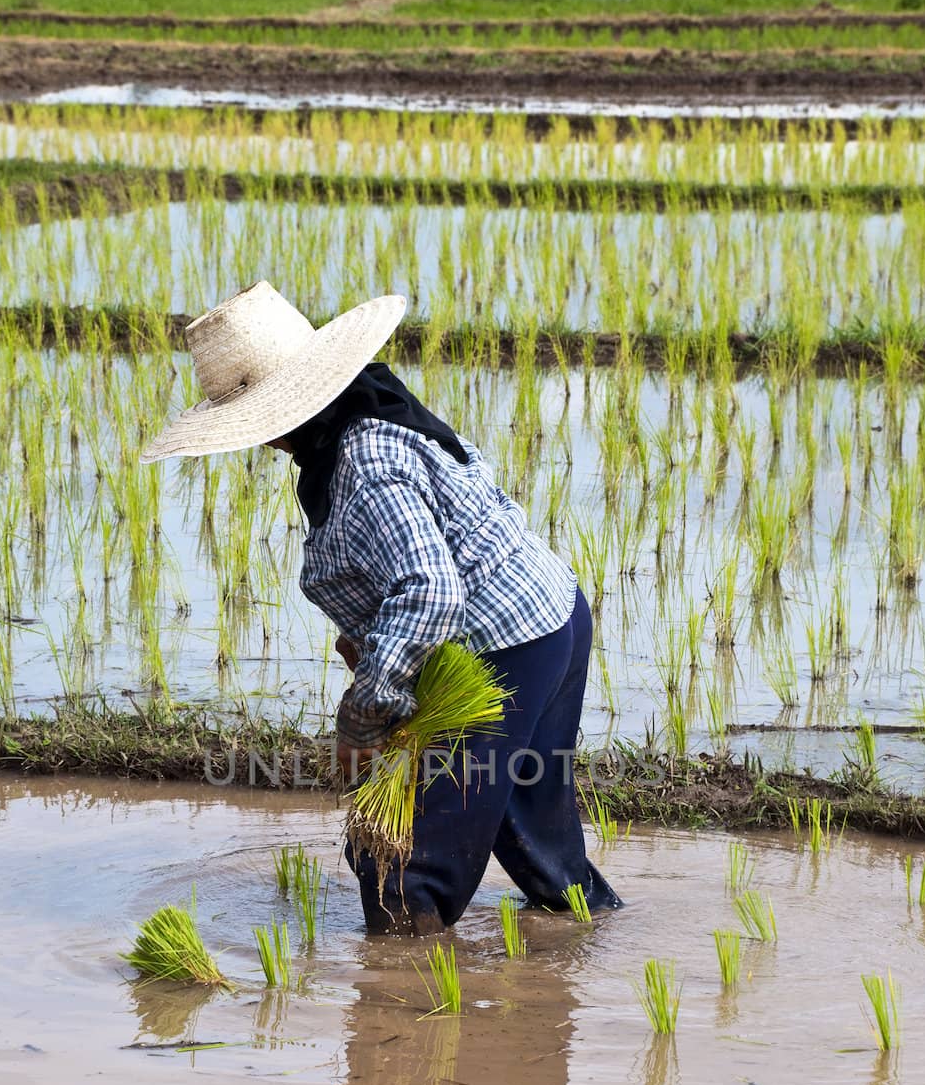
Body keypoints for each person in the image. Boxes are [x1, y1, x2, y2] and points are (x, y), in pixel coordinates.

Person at [142, 282, 620, 935]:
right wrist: (369, 646)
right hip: (549, 613)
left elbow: (428, 589)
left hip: (500, 651)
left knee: (401, 856)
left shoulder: (364, 458)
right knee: (533, 833)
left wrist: (362, 717)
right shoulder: (360, 423)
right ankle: (586, 949)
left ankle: (396, 1002)